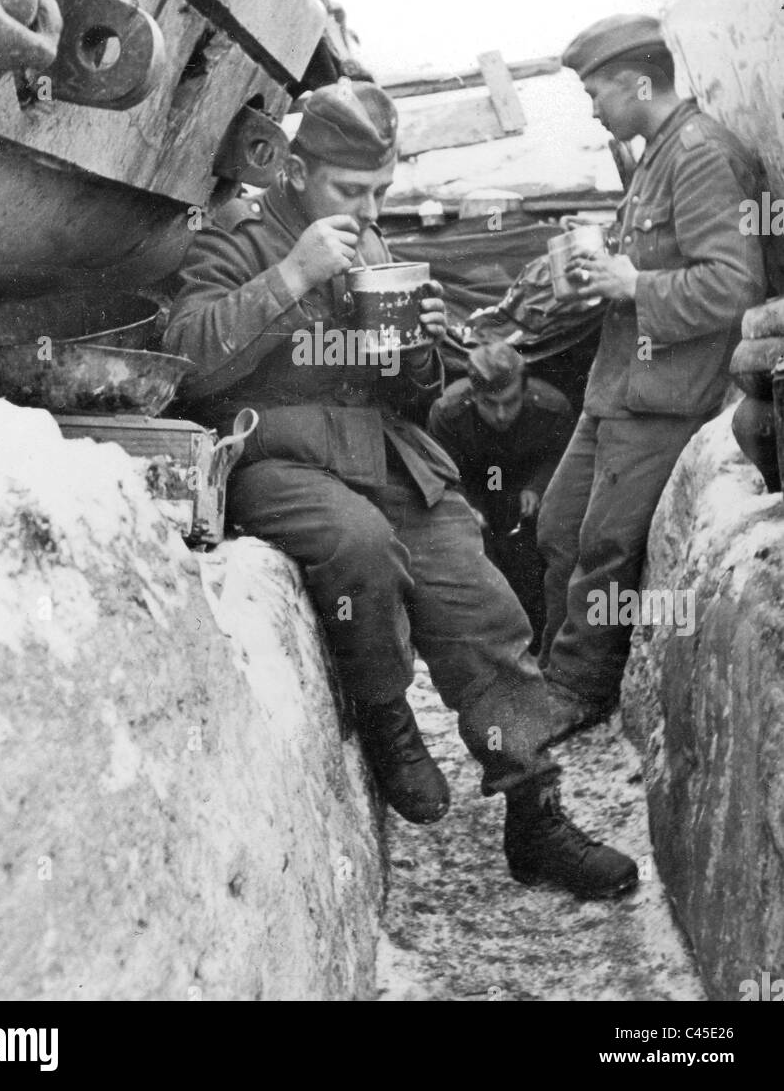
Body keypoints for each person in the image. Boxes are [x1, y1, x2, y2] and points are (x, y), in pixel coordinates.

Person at [164, 79, 638, 901]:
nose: (370, 206)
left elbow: (412, 390)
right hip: (277, 454)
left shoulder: (374, 246)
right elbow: (187, 358)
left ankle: (535, 810)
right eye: (352, 190)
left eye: (380, 189)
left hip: (385, 453)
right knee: (357, 548)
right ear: (296, 169)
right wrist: (288, 275)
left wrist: (414, 347)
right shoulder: (236, 235)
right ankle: (386, 719)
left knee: (480, 599)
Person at [537, 14, 766, 743]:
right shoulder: (654, 154)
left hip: (665, 394)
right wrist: (595, 280)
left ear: (638, 82)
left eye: (596, 90)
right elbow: (642, 268)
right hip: (617, 388)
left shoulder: (699, 156)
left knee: (605, 545)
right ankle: (552, 674)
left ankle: (578, 690)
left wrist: (631, 285)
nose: (592, 106)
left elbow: (732, 289)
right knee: (557, 529)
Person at [428, 340, 575, 649]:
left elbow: (563, 457)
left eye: (510, 402)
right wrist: (465, 505)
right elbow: (440, 469)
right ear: (472, 394)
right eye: (488, 403)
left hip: (524, 498)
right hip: (475, 491)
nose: (500, 414)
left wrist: (537, 487)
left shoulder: (552, 408)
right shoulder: (447, 412)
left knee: (531, 565)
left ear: (524, 390)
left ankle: (538, 642)